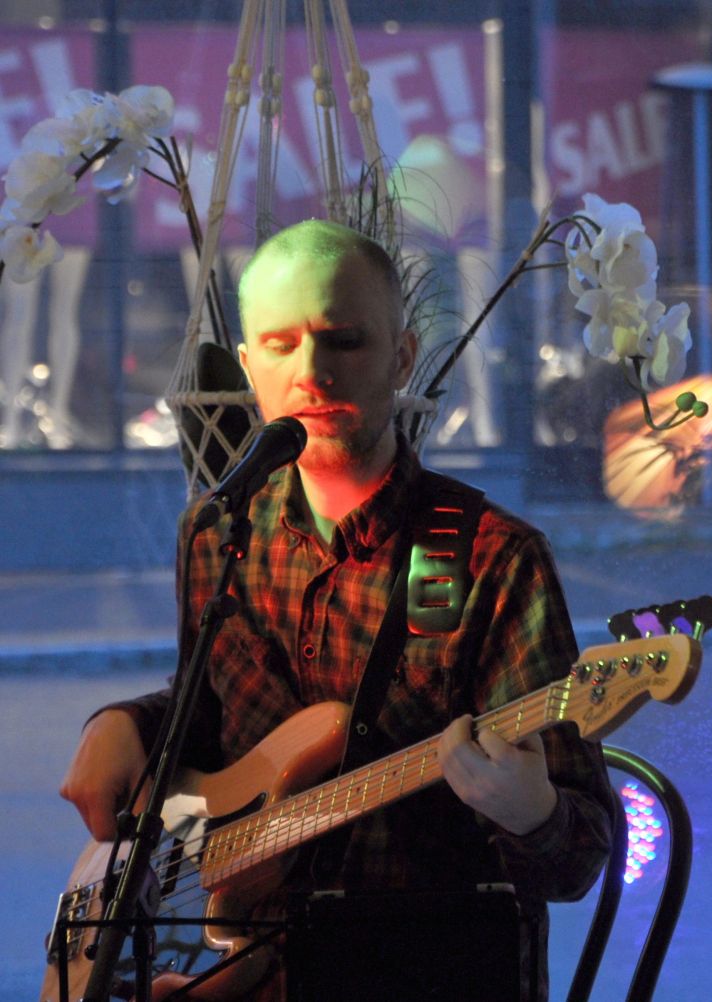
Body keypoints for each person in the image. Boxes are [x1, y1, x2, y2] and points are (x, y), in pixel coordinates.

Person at [58, 219, 615, 1000]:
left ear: (402, 356)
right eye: (280, 345)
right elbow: (209, 725)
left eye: (344, 341)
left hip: (423, 972)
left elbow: (579, 858)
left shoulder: (493, 556)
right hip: (244, 968)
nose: (311, 373)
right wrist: (125, 724)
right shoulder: (216, 533)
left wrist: (534, 812)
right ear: (248, 366)